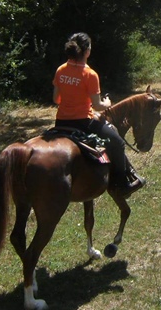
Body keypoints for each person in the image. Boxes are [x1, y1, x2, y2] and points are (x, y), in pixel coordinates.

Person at [52, 32, 145, 198]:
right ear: (87, 51)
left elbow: (56, 99)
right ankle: (122, 184)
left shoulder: (60, 70)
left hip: (61, 122)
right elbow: (97, 105)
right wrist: (108, 103)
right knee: (117, 142)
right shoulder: (90, 75)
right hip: (83, 123)